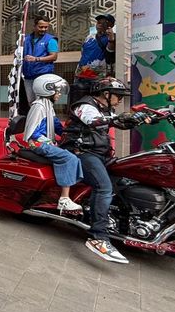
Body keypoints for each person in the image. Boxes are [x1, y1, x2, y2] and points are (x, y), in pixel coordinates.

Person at [60, 77, 150, 264]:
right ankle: (98, 237)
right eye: (118, 96)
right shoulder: (84, 105)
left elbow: (119, 122)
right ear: (106, 94)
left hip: (101, 154)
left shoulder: (106, 110)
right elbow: (93, 121)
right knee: (103, 187)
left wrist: (140, 119)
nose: (120, 100)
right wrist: (119, 118)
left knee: (125, 180)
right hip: (81, 152)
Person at [22, 74, 83, 213]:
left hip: (46, 142)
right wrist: (51, 143)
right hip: (37, 144)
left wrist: (72, 134)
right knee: (68, 158)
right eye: (57, 91)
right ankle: (64, 200)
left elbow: (57, 125)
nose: (59, 94)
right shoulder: (38, 106)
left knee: (75, 152)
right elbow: (34, 133)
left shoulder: (48, 106)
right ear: (47, 90)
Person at [71, 14, 116, 104]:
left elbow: (110, 52)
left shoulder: (112, 38)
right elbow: (83, 52)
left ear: (110, 25)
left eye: (103, 23)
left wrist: (111, 39)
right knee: (77, 102)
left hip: (97, 77)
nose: (99, 24)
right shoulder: (89, 37)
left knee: (96, 102)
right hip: (81, 75)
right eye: (98, 22)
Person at [22, 16, 59, 105]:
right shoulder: (25, 39)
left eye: (46, 27)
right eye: (41, 27)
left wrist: (36, 59)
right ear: (34, 26)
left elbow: (54, 56)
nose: (43, 29)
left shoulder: (51, 40)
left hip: (43, 76)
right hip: (28, 77)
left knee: (43, 102)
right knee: (31, 103)